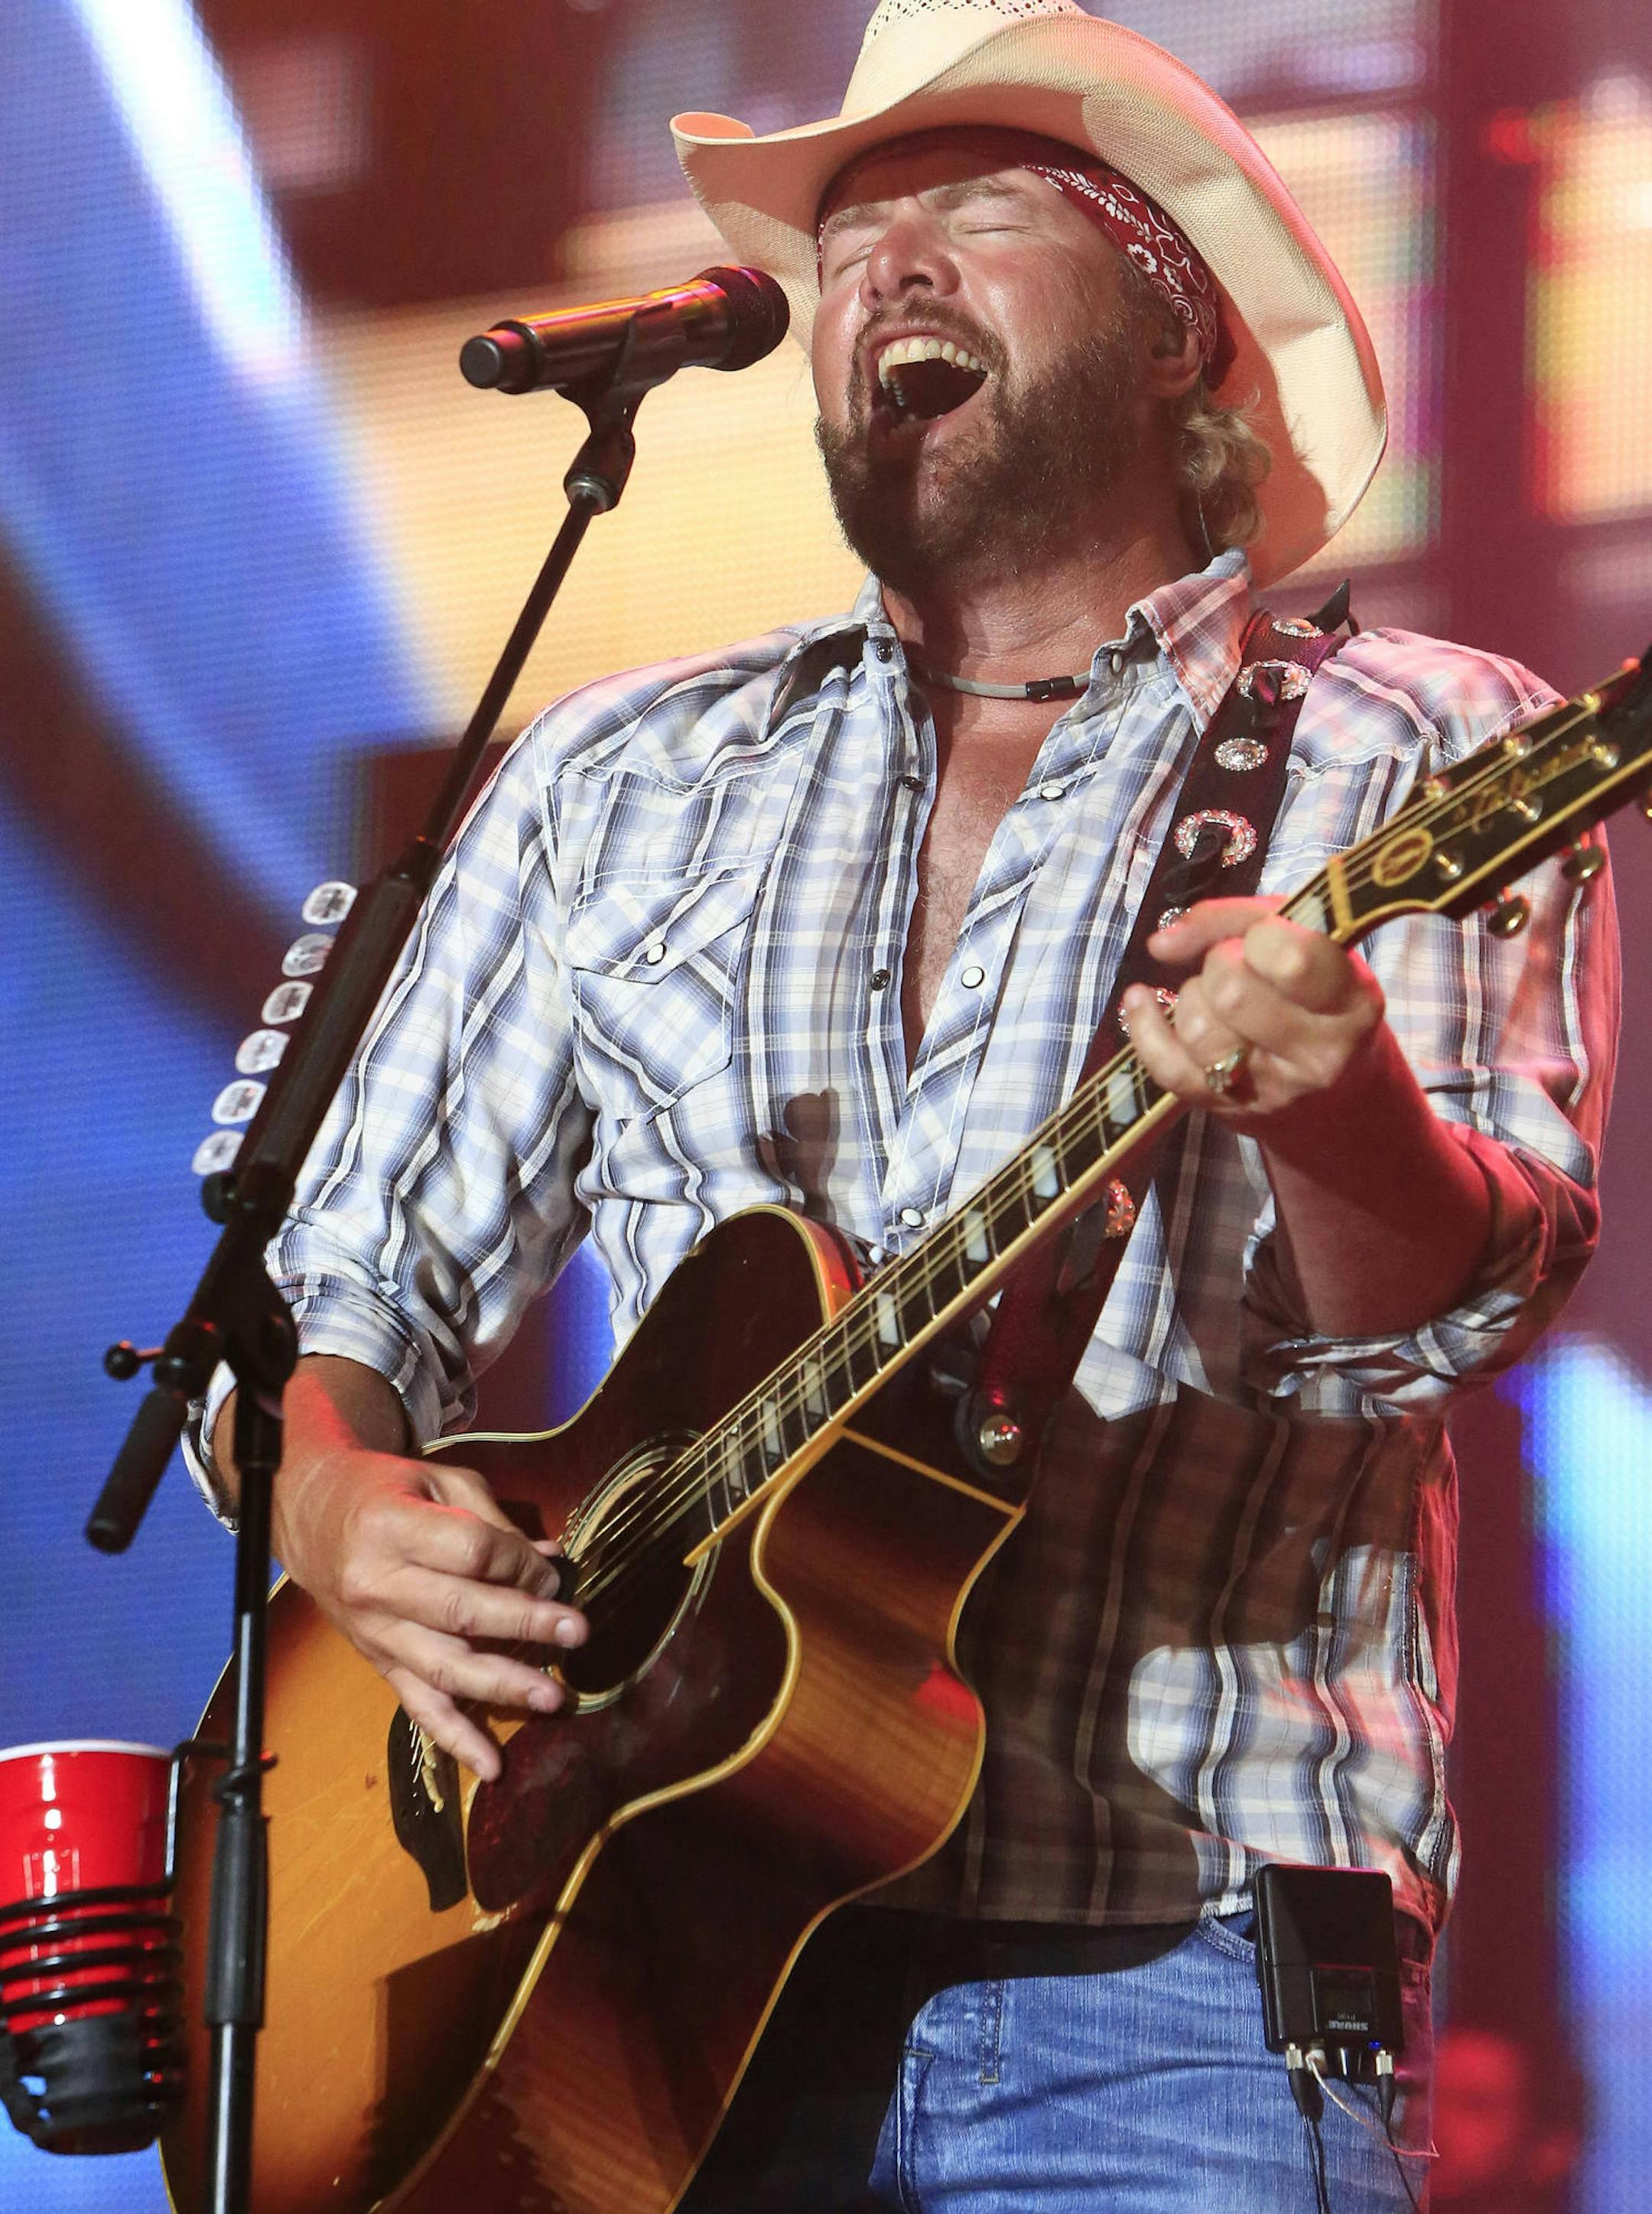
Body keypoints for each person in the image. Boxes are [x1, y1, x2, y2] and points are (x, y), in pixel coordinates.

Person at [193, 2, 1618, 2206]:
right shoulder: (624, 772)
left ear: (1173, 329)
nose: (889, 269)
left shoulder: (1411, 749)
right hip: (628, 1951)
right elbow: (331, 1280)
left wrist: (1334, 1120)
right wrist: (325, 1507)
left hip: (1173, 1972)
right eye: (851, 238)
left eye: (972, 203)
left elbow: (1440, 1319)